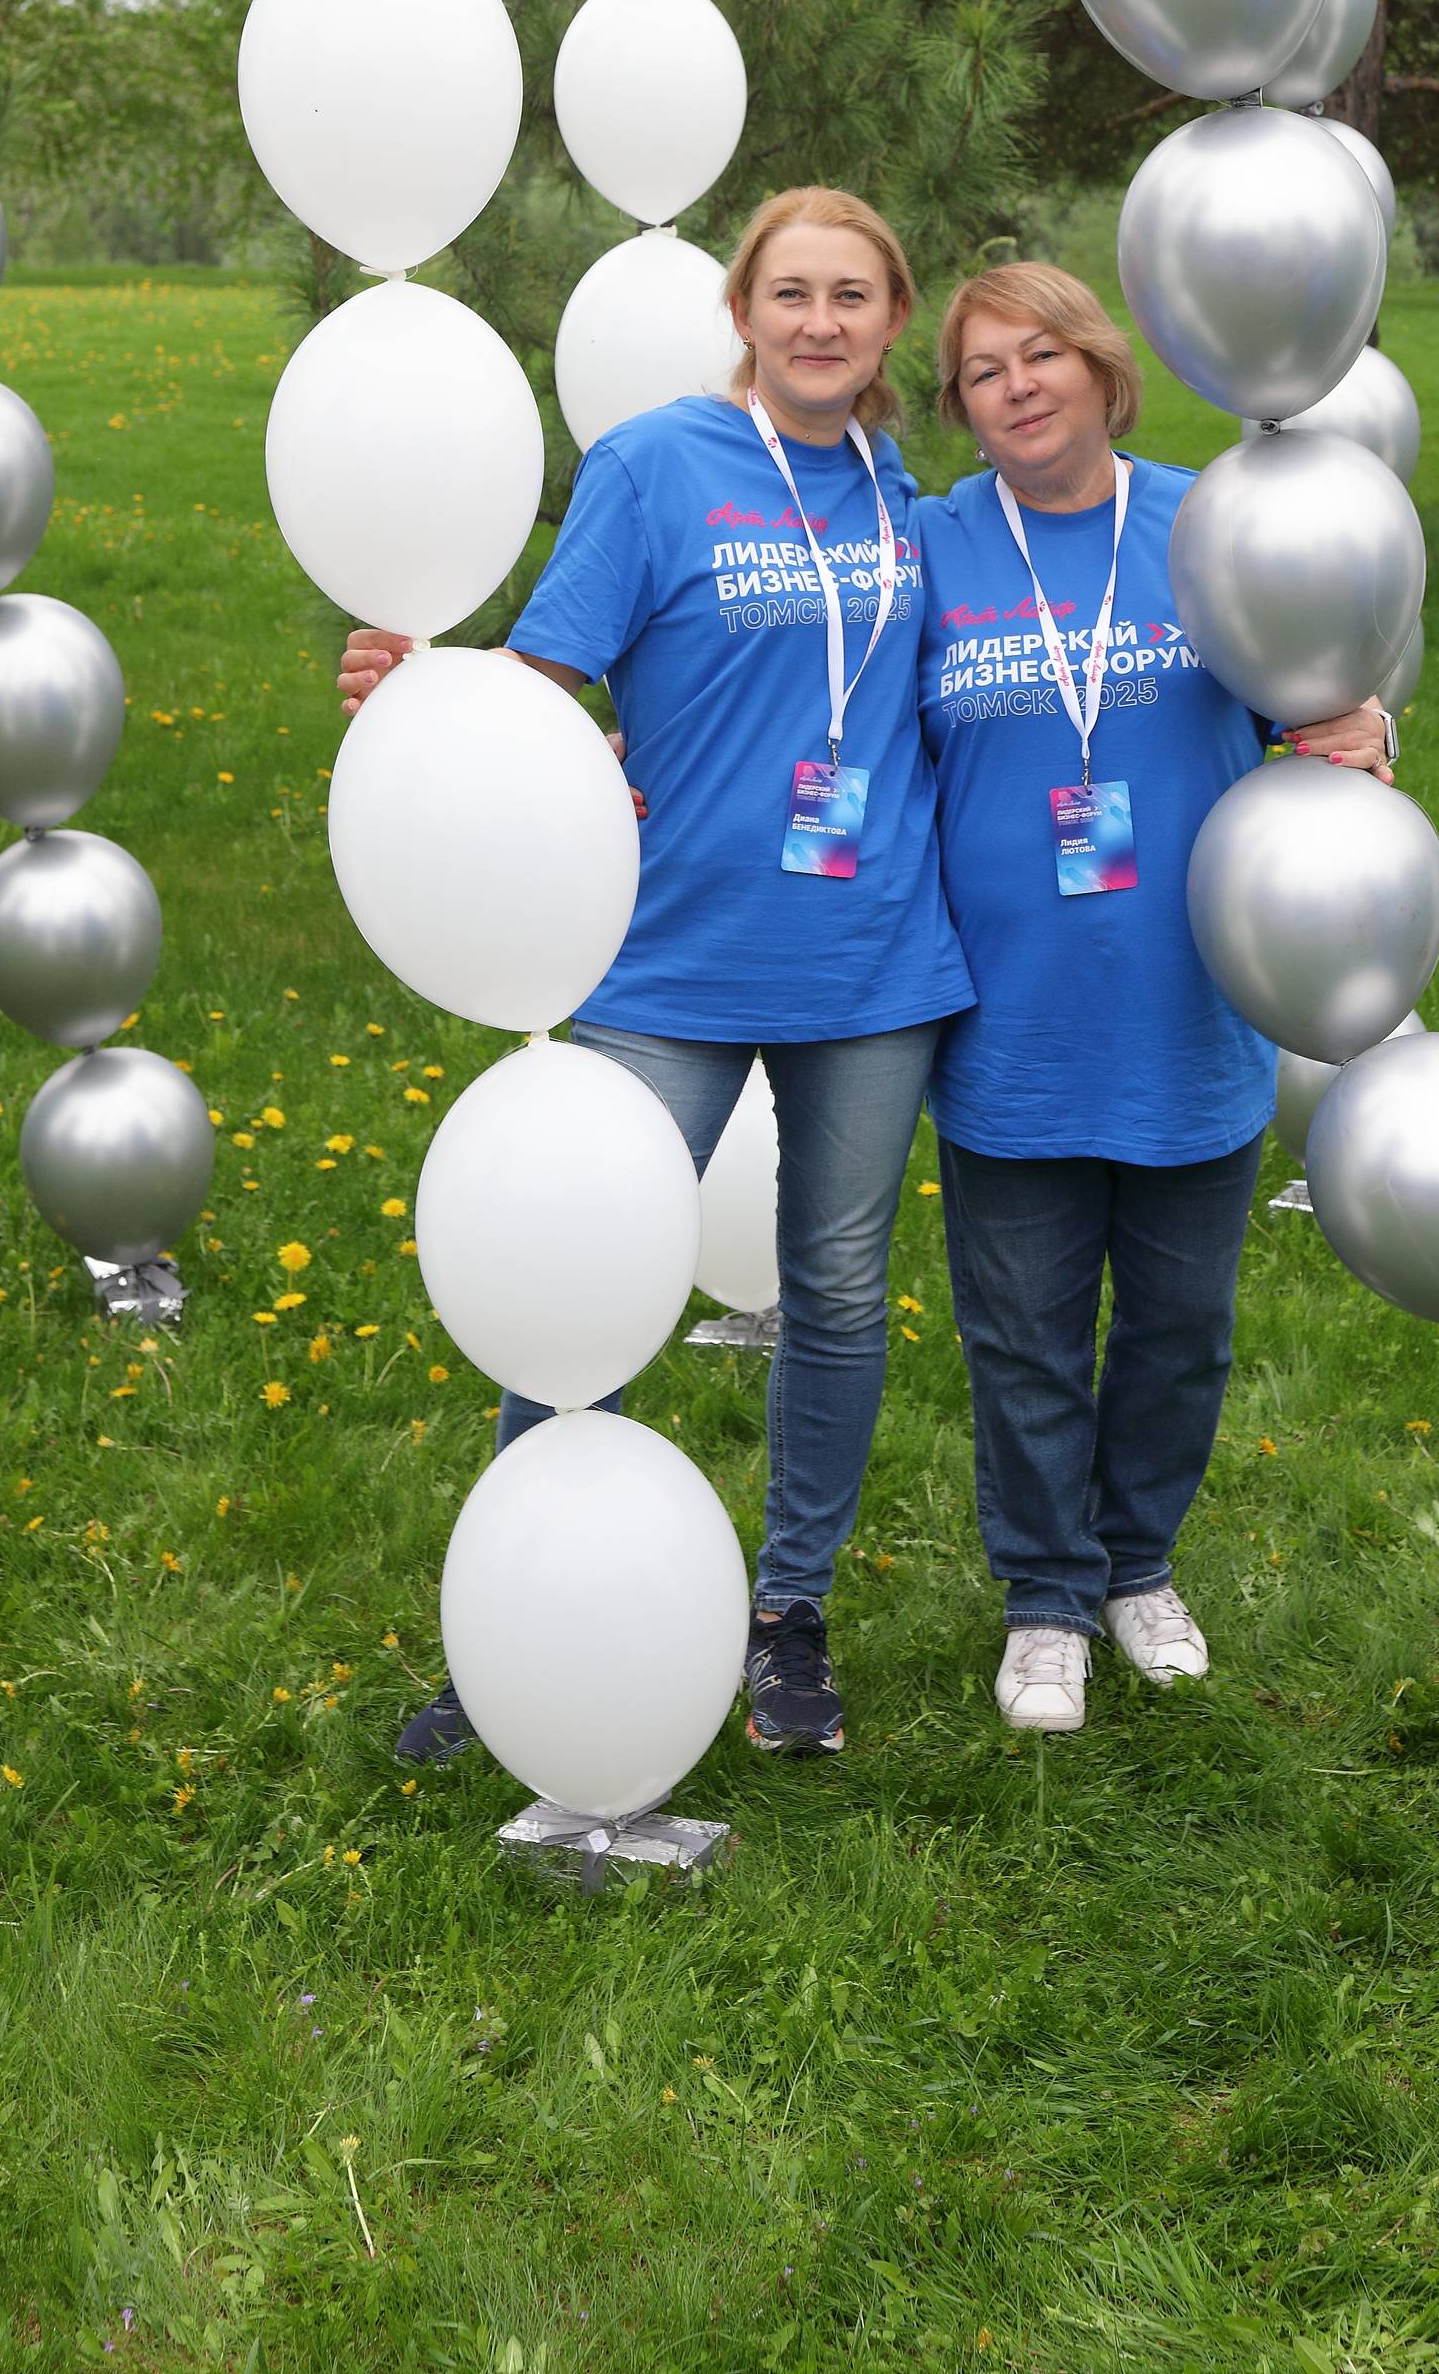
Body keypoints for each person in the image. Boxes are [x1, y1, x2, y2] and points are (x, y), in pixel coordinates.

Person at [337, 187, 966, 1765]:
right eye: (791, 292)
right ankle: (524, 1633)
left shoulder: (910, 499)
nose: (820, 321)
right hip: (664, 960)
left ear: (893, 320)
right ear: (742, 312)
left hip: (873, 964)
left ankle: (789, 1615)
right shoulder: (653, 466)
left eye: (853, 295)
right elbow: (539, 683)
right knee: (586, 1282)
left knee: (835, 1292)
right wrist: (419, 696)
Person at [916, 261, 1394, 1735]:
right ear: (961, 406)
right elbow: (801, 701)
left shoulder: (1209, 526)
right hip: (1008, 1019)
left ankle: (1137, 1567)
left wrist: (1359, 731)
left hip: (1191, 1011)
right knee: (1025, 1339)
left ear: (1103, 369)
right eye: (983, 370)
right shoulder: (931, 546)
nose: (1017, 387)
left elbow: (1309, 703)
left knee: (1181, 1330)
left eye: (1042, 355)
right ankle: (1045, 1599)